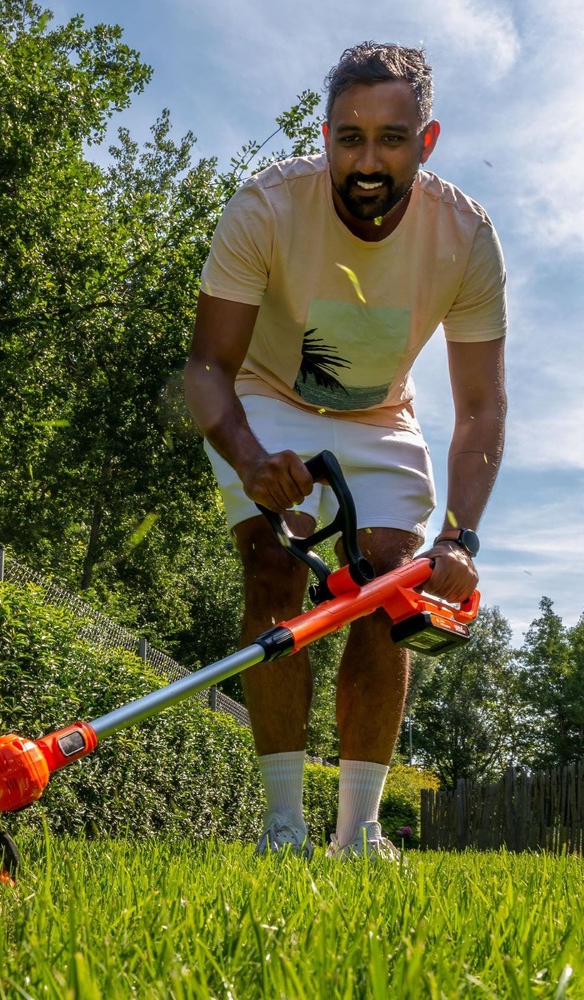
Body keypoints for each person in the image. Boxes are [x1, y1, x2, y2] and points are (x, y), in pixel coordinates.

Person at [184, 42, 507, 859]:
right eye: (349, 138)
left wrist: (460, 535)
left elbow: (479, 406)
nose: (367, 161)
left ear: (425, 142)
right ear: (325, 134)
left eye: (391, 140)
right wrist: (251, 457)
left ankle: (357, 833)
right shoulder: (264, 207)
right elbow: (207, 368)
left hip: (381, 419)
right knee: (271, 565)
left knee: (386, 594)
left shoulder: (465, 236)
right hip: (264, 396)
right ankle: (282, 827)